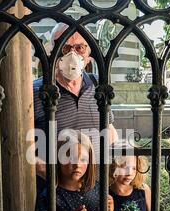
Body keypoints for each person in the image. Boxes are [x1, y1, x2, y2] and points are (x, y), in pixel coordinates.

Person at [33, 23, 119, 185]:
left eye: (80, 47)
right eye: (64, 47)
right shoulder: (35, 92)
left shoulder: (97, 85)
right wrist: (48, 174)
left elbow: (109, 130)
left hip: (96, 186)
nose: (72, 54)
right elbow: (22, 143)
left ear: (88, 53)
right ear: (52, 51)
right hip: (55, 193)